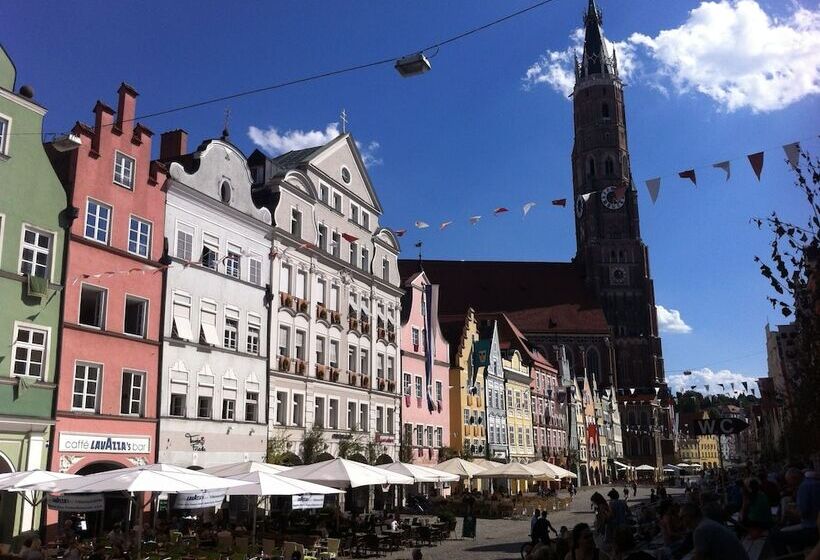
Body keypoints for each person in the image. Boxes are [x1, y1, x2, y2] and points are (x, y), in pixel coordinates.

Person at [680, 502, 748, 560]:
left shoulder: (700, 530)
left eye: (681, 517)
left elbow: (700, 558)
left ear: (688, 516)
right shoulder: (706, 523)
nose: (681, 521)